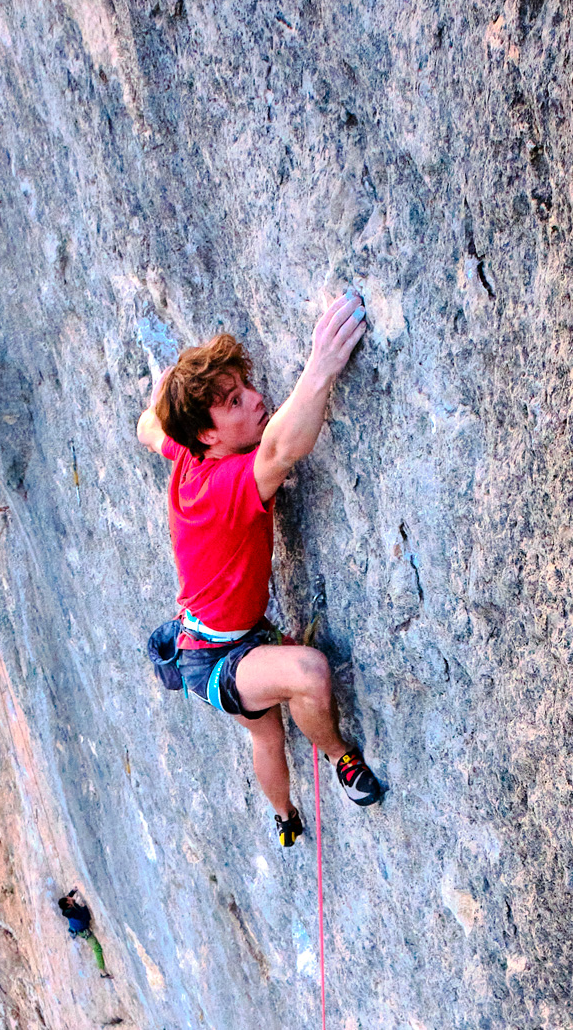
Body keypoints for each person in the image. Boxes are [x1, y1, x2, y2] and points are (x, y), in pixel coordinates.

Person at [136, 291, 385, 848]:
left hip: (212, 636)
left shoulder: (188, 454)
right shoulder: (224, 485)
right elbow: (279, 450)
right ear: (208, 433)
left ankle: (284, 817)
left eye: (244, 388)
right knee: (308, 678)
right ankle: (337, 762)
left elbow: (147, 426)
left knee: (267, 736)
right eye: (232, 401)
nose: (256, 399)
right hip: (212, 659)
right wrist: (321, 366)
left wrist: (176, 397)